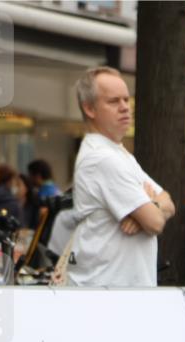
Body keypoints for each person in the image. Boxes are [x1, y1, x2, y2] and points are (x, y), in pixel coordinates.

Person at [66, 66, 175, 287]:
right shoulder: (103, 158)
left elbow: (168, 202)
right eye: (114, 101)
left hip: (119, 293)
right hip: (108, 295)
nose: (126, 107)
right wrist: (148, 212)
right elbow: (155, 223)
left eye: (126, 99)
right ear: (89, 108)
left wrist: (149, 206)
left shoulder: (120, 154)